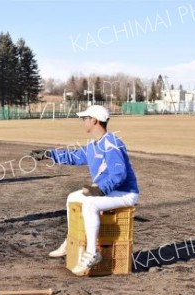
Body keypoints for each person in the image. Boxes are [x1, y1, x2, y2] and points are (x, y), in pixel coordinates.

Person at [38, 105, 139, 275]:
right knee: (72, 197)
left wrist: (100, 190)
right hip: (110, 191)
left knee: (91, 204)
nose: (83, 122)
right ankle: (69, 241)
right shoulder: (94, 145)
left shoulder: (112, 144)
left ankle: (92, 253)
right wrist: (50, 154)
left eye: (85, 119)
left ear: (94, 120)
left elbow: (119, 174)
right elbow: (75, 156)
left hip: (126, 193)